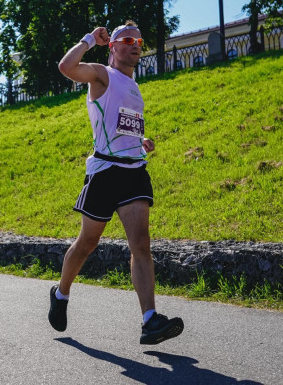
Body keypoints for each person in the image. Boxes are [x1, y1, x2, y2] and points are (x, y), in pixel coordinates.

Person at [50, 22, 183, 345]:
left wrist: (141, 140)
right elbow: (65, 67)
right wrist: (88, 40)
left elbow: (122, 124)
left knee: (141, 243)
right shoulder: (101, 74)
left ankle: (150, 320)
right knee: (87, 243)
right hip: (105, 172)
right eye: (127, 39)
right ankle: (61, 293)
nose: (135, 44)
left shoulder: (134, 86)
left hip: (134, 170)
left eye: (139, 40)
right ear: (113, 47)